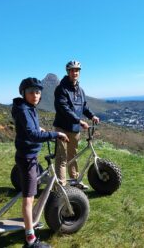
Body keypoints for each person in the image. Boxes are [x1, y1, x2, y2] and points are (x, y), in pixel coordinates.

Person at [12, 77, 69, 248]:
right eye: (31, 92)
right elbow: (32, 135)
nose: (35, 95)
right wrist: (55, 134)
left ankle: (32, 223)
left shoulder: (28, 108)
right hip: (27, 158)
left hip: (28, 155)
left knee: (33, 190)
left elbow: (31, 129)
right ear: (24, 93)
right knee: (28, 199)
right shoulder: (23, 109)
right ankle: (30, 239)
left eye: (37, 92)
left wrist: (40, 129)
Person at [53, 60, 100, 189]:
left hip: (74, 129)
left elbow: (84, 106)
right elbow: (63, 108)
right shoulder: (61, 89)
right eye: (72, 70)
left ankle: (75, 181)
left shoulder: (80, 91)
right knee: (61, 158)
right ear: (68, 72)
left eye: (77, 70)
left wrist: (92, 116)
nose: (75, 72)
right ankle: (61, 186)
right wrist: (79, 121)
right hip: (62, 128)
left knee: (73, 156)